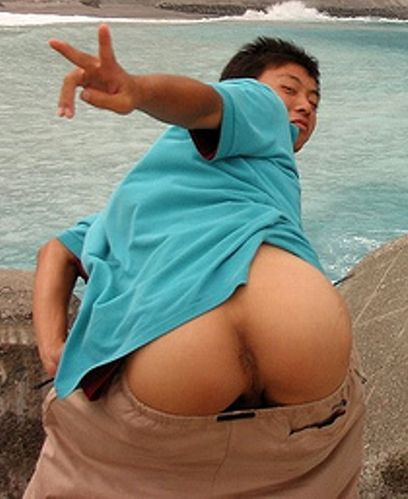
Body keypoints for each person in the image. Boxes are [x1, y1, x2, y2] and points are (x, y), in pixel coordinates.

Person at [25, 24, 366, 498]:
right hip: (301, 338)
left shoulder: (132, 205)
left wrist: (52, 347)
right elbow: (205, 103)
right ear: (243, 90)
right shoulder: (260, 107)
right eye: (290, 88)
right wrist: (139, 90)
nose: (305, 104)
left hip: (173, 360)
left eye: (314, 99)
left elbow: (56, 251)